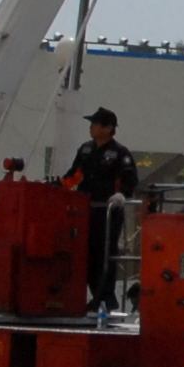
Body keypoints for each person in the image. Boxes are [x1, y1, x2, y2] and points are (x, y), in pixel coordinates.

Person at [65, 108, 142, 309]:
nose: (91, 127)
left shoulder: (119, 153)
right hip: (85, 210)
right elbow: (74, 175)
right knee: (86, 253)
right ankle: (97, 296)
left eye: (95, 124)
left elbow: (129, 179)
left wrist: (122, 194)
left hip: (107, 212)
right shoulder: (85, 149)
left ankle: (106, 297)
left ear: (108, 128)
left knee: (104, 253)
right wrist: (57, 186)